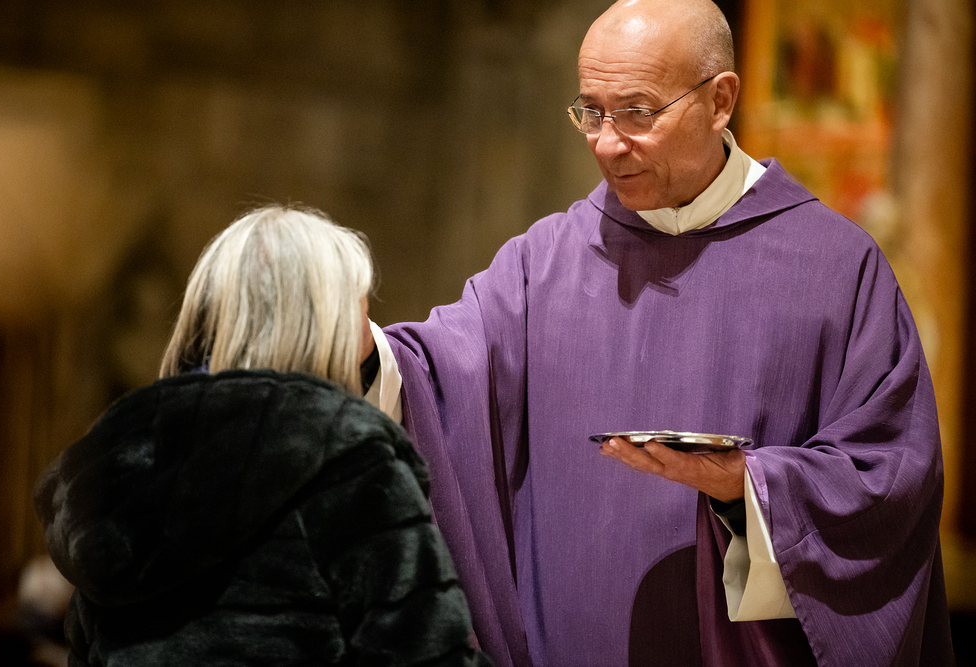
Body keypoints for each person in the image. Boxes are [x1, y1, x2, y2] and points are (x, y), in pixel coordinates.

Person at [372, 0, 955, 665]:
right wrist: (339, 334)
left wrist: (750, 487)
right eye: (591, 111)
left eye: (637, 112)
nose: (606, 142)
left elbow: (890, 480)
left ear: (720, 100)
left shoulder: (837, 268)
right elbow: (430, 375)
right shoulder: (544, 263)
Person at [34, 206, 491, 666]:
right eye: (361, 310)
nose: (370, 338)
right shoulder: (348, 463)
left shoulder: (117, 477)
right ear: (326, 328)